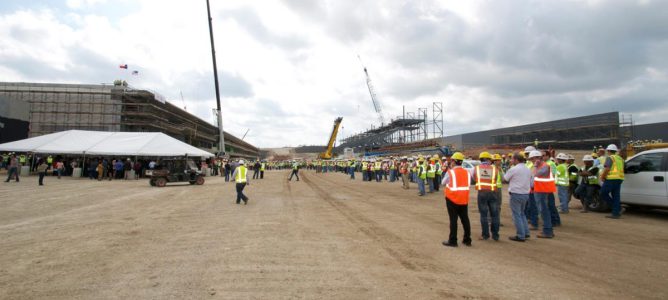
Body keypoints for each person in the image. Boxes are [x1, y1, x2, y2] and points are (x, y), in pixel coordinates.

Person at [441, 152, 472, 247]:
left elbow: (443, 182)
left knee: (453, 220)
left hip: (452, 199)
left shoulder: (450, 172)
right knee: (465, 219)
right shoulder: (467, 172)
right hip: (464, 199)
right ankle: (467, 239)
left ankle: (453, 240)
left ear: (454, 161)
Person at [504, 152, 532, 242]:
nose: (511, 160)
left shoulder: (514, 169)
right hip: (525, 194)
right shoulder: (528, 169)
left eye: (512, 159)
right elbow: (532, 182)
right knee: (522, 213)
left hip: (516, 193)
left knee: (517, 215)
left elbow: (505, 179)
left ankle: (520, 235)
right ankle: (526, 232)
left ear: (516, 159)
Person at [473, 152, 500, 241]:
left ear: (481, 159)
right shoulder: (494, 169)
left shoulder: (477, 168)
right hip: (492, 192)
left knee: (483, 215)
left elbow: (474, 178)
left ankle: (485, 235)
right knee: (495, 215)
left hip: (482, 193)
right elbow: (496, 178)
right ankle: (495, 235)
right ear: (489, 159)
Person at [529, 150, 555, 238]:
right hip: (538, 190)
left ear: (538, 158)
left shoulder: (544, 166)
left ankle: (547, 231)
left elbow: (535, 175)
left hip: (542, 191)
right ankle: (548, 230)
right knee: (543, 210)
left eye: (533, 159)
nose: (532, 161)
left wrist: (535, 166)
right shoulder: (541, 166)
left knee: (544, 211)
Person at [600, 144, 625, 219]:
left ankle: (618, 208)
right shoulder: (620, 159)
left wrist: (603, 176)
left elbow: (607, 169)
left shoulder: (610, 158)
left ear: (608, 151)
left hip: (611, 179)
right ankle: (615, 214)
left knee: (603, 193)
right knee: (616, 196)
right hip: (619, 179)